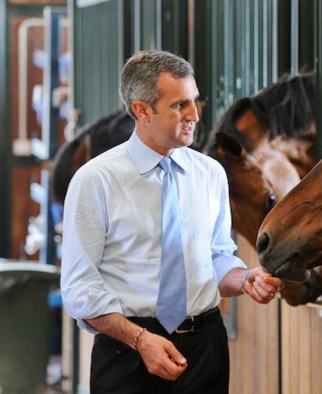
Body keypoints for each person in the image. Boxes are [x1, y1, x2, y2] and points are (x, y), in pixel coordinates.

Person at [60, 49, 282, 393]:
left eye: (195, 101)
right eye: (180, 105)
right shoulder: (96, 180)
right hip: (126, 352)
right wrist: (139, 339)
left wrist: (245, 278)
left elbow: (216, 257)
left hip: (205, 349)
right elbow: (79, 289)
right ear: (142, 110)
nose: (194, 114)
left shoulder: (210, 174)